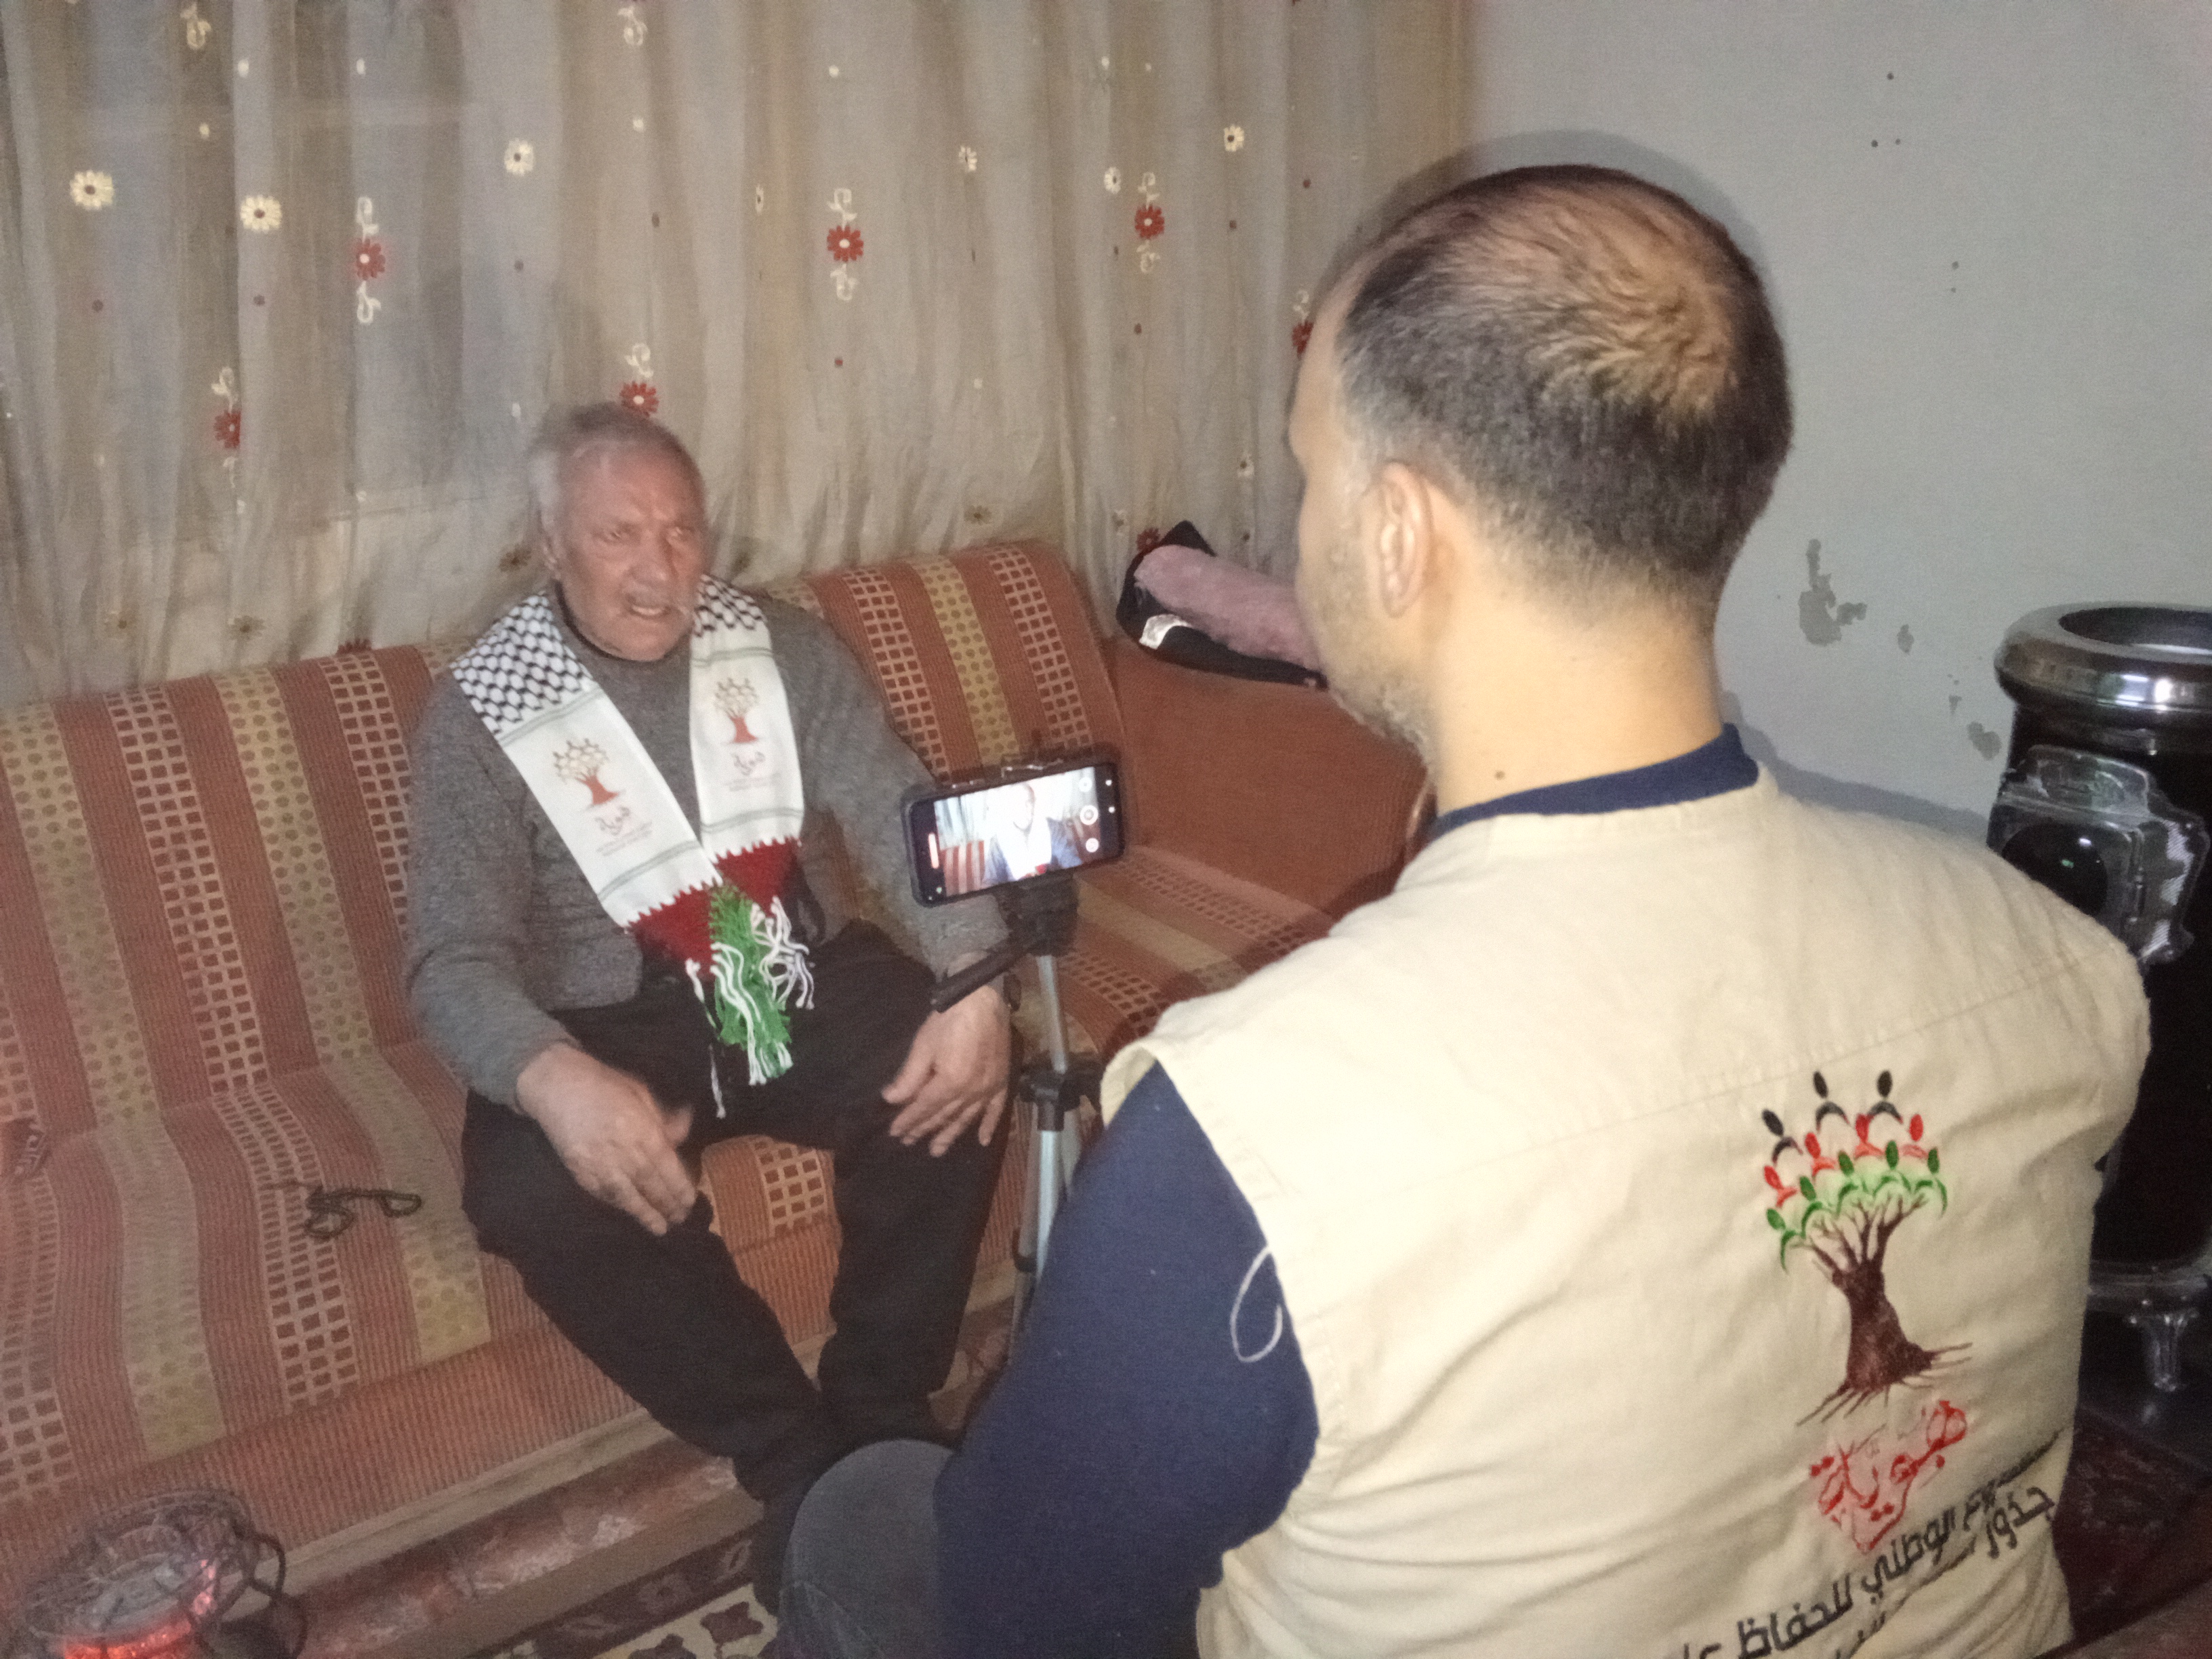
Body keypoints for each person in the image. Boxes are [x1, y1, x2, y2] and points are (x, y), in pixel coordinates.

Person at [779, 166, 2149, 1657]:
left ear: (1397, 533)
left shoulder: (1251, 1134)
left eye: (1308, 478)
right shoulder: (2058, 959)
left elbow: (1020, 1619)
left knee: (871, 1517)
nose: (1298, 531)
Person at [405, 403, 1012, 1613]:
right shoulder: (481, 713)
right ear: (550, 544)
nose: (658, 567)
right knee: (531, 1192)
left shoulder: (779, 647)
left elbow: (896, 808)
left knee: (952, 1067)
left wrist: (974, 968)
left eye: (680, 530)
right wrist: (550, 1074)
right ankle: (799, 1460)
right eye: (617, 534)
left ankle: (882, 1408)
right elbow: (448, 955)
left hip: (789, 963)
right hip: (610, 1019)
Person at [979, 782, 1081, 887]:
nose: (1024, 809)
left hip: (1052, 888)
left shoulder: (1052, 827)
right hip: (1018, 894)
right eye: (1018, 804)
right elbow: (990, 880)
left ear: (1034, 803)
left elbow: (1069, 859)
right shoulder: (999, 840)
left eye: (1028, 803)